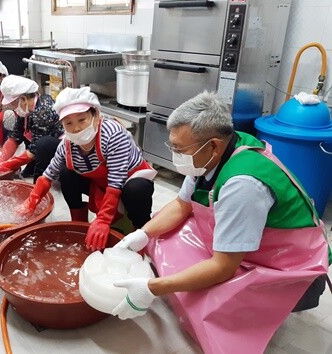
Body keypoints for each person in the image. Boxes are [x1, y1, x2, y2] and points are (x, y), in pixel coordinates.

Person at [110, 91, 329, 353]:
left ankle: (253, 315)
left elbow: (223, 266)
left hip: (286, 267)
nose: (175, 155)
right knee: (162, 231)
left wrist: (152, 288)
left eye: (180, 149)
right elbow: (182, 205)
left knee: (213, 301)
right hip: (250, 244)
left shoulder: (243, 185)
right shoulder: (216, 154)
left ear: (213, 145)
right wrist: (142, 234)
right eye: (173, 147)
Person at [21, 87, 156, 250]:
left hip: (128, 181)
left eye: (82, 120)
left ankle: (141, 235)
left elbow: (116, 182)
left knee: (136, 189)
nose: (76, 128)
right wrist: (31, 201)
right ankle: (79, 225)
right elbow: (49, 174)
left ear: (96, 116)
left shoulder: (113, 135)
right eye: (68, 123)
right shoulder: (67, 143)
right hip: (101, 185)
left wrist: (103, 220)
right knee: (67, 173)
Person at [0, 75, 64, 181]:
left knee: (42, 145)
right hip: (41, 144)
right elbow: (15, 136)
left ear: (23, 99)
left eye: (12, 103)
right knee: (28, 133)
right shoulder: (26, 109)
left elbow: (35, 149)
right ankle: (31, 167)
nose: (12, 107)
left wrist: (8, 165)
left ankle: (40, 178)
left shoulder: (42, 111)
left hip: (58, 149)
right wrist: (1, 160)